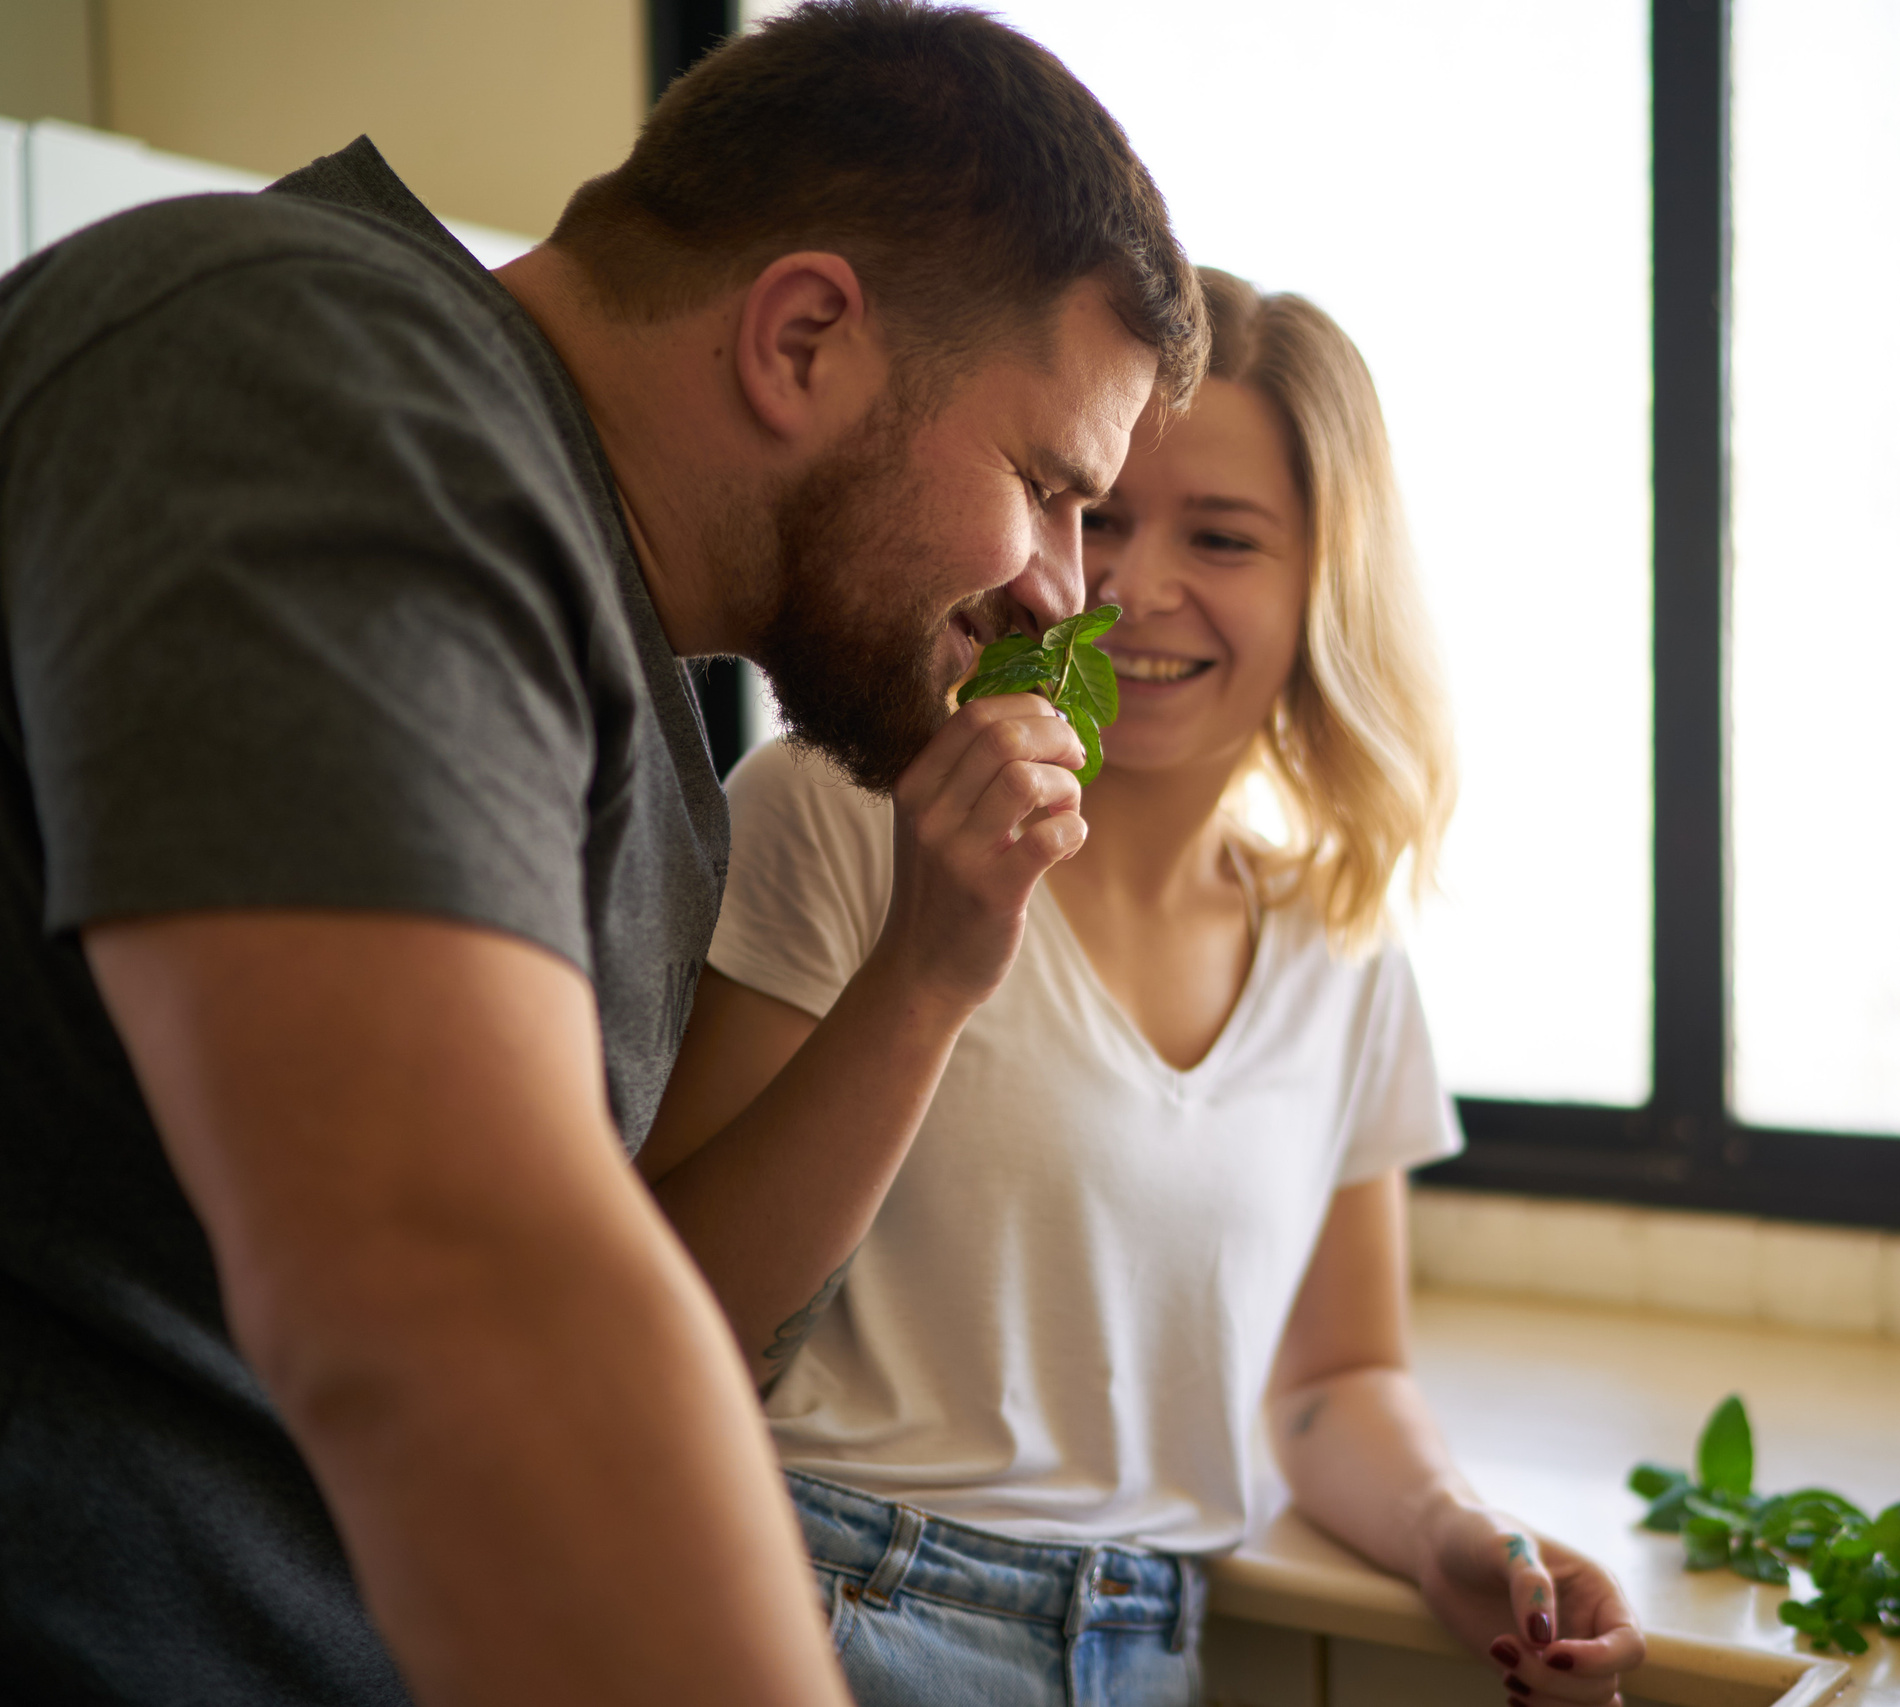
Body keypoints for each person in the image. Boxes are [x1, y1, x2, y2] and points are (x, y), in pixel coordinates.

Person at [0, 4, 1204, 1703]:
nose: (1064, 588)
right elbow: (456, 1285)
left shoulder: (628, 694)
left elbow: (662, 1317)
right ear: (801, 338)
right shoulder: (311, 369)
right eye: (1047, 483)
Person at [643, 269, 1647, 1707]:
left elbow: (1331, 1380)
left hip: (1146, 1649)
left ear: (1326, 588)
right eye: (1097, 514)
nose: (1131, 583)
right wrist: (929, 972)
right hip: (830, 1601)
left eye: (1223, 537)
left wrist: (1459, 1541)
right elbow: (675, 1315)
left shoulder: (1339, 941)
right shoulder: (850, 807)